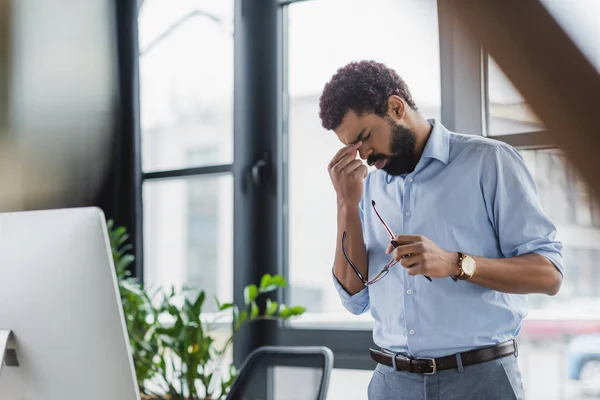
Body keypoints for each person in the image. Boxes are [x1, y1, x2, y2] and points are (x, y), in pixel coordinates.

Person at [319, 60, 564, 400]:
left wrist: (454, 263)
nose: (365, 156)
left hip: (480, 382)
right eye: (354, 149)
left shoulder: (489, 162)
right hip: (392, 384)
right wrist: (346, 204)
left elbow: (549, 274)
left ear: (395, 107)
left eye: (365, 138)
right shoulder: (368, 188)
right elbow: (353, 297)